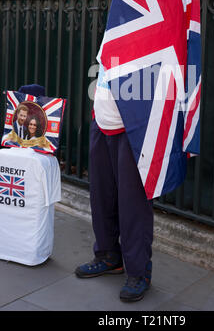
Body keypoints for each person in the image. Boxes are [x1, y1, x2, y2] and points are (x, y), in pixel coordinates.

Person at [75, 63, 153, 302]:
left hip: (132, 126)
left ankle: (139, 271)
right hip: (102, 120)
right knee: (101, 195)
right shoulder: (111, 29)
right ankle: (108, 255)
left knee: (133, 202)